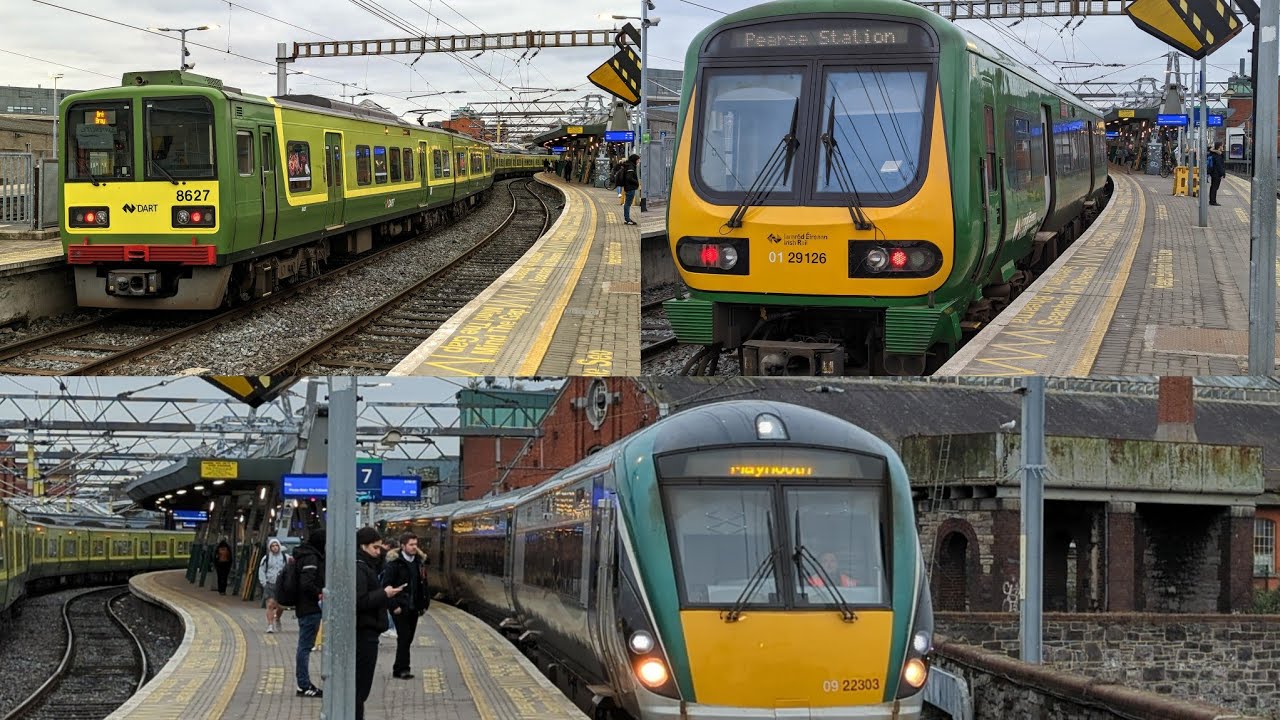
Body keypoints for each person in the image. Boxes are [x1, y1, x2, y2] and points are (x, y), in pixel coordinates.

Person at [355, 527, 403, 720]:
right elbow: (359, 601)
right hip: (364, 632)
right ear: (362, 546)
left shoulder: (367, 565)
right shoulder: (359, 567)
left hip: (368, 631)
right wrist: (384, 594)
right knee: (359, 688)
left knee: (360, 689)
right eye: (375, 548)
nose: (378, 551)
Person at [382, 532, 429, 679]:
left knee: (408, 638)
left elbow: (423, 584)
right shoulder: (394, 564)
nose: (414, 547)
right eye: (411, 545)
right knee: (404, 637)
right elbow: (386, 586)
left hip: (414, 607)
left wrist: (424, 604)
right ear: (403, 546)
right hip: (400, 607)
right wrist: (393, 606)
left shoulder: (419, 563)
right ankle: (403, 669)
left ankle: (398, 667)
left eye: (416, 544)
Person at [294, 529, 326, 698]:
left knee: (304, 646)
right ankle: (304, 685)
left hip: (306, 607)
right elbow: (306, 584)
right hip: (310, 608)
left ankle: (303, 683)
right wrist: (319, 593)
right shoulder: (311, 558)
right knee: (305, 646)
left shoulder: (305, 555)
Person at [257, 538, 289, 633]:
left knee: (281, 606)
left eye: (276, 546)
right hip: (270, 583)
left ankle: (277, 618)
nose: (275, 548)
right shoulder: (266, 558)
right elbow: (261, 570)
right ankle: (270, 625)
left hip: (282, 585)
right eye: (272, 546)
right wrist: (264, 582)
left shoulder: (285, 557)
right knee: (270, 604)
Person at [618, 154, 641, 226]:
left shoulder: (628, 165)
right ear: (634, 160)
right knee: (628, 204)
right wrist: (636, 182)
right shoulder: (631, 166)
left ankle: (627, 219)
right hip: (630, 187)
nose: (638, 162)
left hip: (628, 187)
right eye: (637, 160)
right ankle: (627, 219)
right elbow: (629, 178)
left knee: (627, 204)